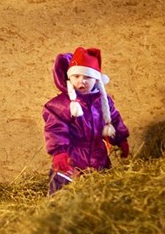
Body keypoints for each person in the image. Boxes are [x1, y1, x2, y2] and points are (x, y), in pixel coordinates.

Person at [42, 47, 130, 194]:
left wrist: (121, 140)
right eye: (76, 76)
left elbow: (114, 118)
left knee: (101, 191)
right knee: (63, 193)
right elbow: (55, 129)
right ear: (69, 77)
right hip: (72, 156)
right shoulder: (61, 105)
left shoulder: (103, 100)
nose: (81, 82)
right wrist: (59, 152)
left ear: (96, 79)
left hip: (97, 156)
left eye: (87, 77)